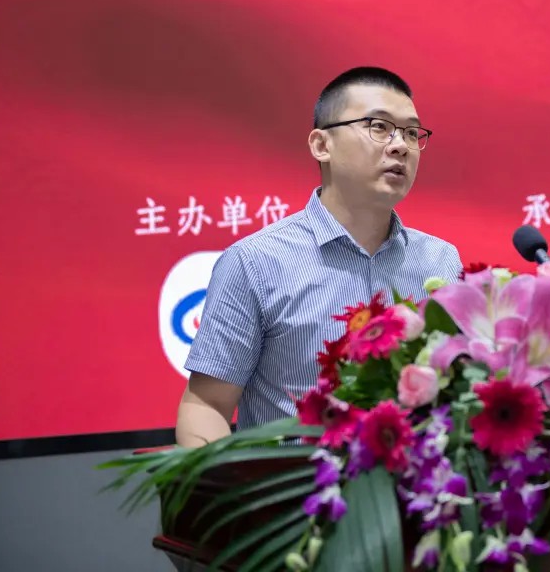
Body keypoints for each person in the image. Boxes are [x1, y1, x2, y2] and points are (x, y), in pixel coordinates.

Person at [175, 66, 463, 447]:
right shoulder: (255, 262)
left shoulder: (440, 262)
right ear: (321, 145)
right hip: (298, 481)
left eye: (411, 133)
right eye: (379, 127)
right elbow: (206, 406)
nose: (400, 146)